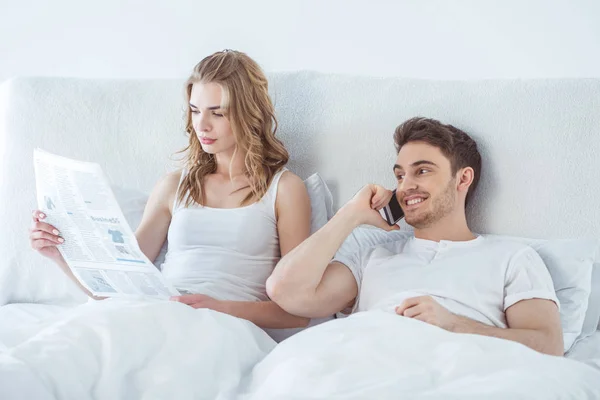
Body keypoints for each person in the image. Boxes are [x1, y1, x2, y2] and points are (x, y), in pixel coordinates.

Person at [29, 49, 312, 330]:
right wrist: (58, 255)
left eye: (218, 113)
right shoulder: (174, 186)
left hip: (225, 327)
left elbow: (296, 312)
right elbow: (117, 285)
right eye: (194, 110)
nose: (201, 125)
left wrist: (221, 308)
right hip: (158, 314)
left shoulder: (285, 190)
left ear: (249, 115)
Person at [267, 117, 564, 356]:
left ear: (463, 178)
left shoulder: (512, 258)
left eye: (421, 171)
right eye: (399, 175)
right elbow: (285, 291)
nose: (405, 186)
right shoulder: (372, 253)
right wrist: (351, 215)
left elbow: (548, 346)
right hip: (362, 370)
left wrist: (453, 324)